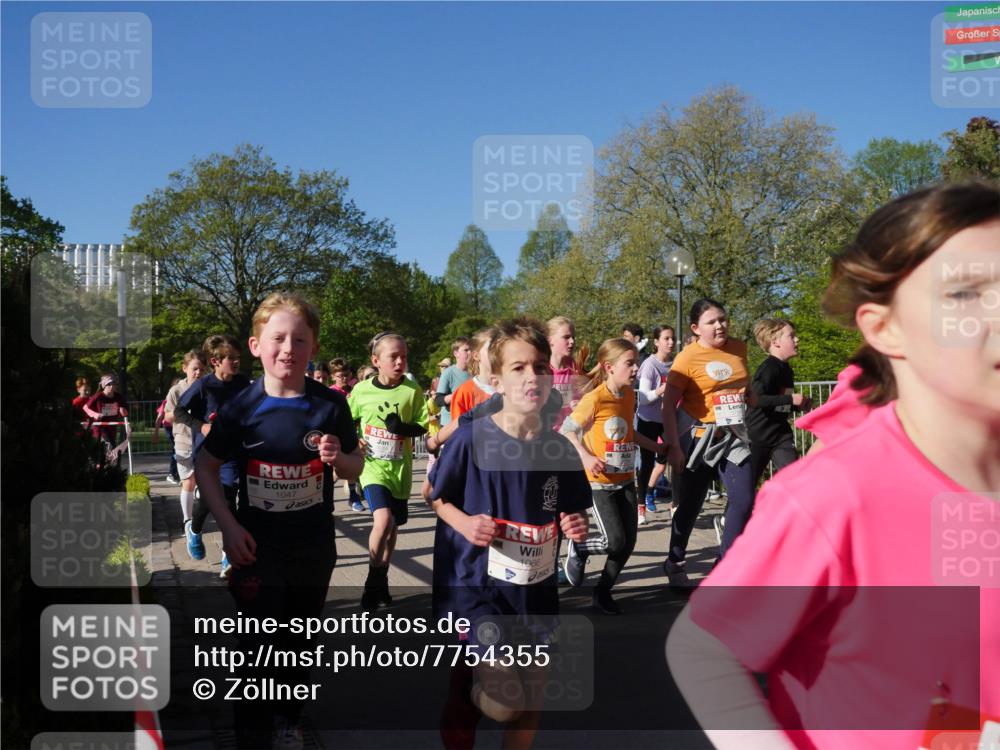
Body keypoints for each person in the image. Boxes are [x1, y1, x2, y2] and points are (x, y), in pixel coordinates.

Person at [666, 181, 1000, 750]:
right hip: (724, 445)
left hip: (753, 440)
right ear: (884, 328)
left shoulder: (743, 357)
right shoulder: (835, 493)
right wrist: (680, 441)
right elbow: (702, 647)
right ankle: (688, 556)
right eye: (964, 295)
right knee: (727, 507)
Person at [195, 292, 364, 750]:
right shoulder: (240, 408)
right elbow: (205, 468)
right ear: (255, 346)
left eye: (300, 339)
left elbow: (356, 466)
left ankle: (289, 718)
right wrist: (228, 528)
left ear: (313, 348)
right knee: (256, 647)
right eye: (278, 338)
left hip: (312, 546)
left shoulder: (330, 405)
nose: (288, 348)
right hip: (256, 548)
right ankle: (251, 734)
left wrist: (338, 458)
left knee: (300, 640)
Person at [428, 317, 591, 750]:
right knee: (506, 703)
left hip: (534, 591)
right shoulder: (471, 438)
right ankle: (470, 693)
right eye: (518, 368)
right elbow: (436, 497)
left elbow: (569, 509)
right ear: (496, 380)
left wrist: (574, 524)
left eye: (539, 366)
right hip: (478, 588)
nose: (531, 376)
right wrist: (464, 522)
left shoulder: (558, 449)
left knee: (532, 706)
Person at [560, 338, 667, 614]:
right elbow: (567, 430)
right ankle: (580, 548)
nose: (635, 370)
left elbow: (628, 434)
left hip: (625, 479)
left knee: (628, 543)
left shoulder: (630, 396)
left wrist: (655, 446)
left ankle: (602, 591)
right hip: (599, 483)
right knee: (613, 541)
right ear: (609, 367)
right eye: (629, 364)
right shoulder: (594, 398)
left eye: (637, 364)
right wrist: (585, 456)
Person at [660, 299, 755, 573]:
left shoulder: (738, 348)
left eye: (723, 319)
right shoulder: (687, 357)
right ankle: (675, 560)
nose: (720, 325)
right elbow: (668, 405)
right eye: (711, 322)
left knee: (745, 498)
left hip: (733, 433)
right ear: (696, 328)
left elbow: (740, 382)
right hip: (699, 435)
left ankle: (724, 566)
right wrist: (675, 447)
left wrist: (750, 395)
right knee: (691, 503)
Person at [348, 332, 428, 610]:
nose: (400, 361)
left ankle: (381, 577)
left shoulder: (411, 390)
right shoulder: (361, 391)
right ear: (376, 360)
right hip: (372, 468)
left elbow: (422, 425)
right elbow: (345, 420)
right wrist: (352, 440)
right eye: (393, 356)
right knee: (382, 521)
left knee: (392, 528)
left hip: (400, 470)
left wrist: (401, 429)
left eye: (403, 356)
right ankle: (372, 580)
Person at [174, 334, 251, 576]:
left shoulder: (243, 383)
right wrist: (202, 426)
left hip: (232, 452)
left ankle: (230, 556)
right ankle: (194, 531)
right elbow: (179, 412)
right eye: (230, 358)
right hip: (207, 453)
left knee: (228, 500)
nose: (236, 362)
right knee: (207, 501)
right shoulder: (204, 385)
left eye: (238, 358)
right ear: (215, 361)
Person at [746, 319, 812, 486]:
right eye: (791, 336)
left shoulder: (786, 368)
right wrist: (790, 399)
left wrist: (797, 406)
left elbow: (778, 401)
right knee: (746, 489)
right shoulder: (768, 368)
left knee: (795, 478)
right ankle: (733, 513)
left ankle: (795, 511)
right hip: (758, 436)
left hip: (780, 434)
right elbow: (756, 400)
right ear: (775, 342)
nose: (797, 340)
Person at [635, 325, 676, 521]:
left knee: (675, 460)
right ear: (656, 342)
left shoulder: (676, 364)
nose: (671, 342)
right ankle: (641, 505)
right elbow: (643, 398)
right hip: (648, 420)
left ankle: (674, 504)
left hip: (668, 420)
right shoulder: (650, 365)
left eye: (672, 338)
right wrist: (662, 390)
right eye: (666, 338)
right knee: (647, 463)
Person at [164, 352, 207, 528]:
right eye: (194, 369)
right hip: (183, 440)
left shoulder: (207, 387)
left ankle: (199, 515)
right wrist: (182, 414)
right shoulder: (176, 390)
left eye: (201, 370)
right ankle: (187, 521)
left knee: (204, 480)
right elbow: (167, 416)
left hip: (204, 441)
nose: (198, 373)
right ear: (185, 368)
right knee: (188, 481)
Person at [330, 360, 366, 512]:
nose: (343, 378)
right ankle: (324, 493)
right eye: (339, 376)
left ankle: (354, 497)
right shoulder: (330, 393)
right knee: (335, 471)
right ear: (333, 377)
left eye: (346, 375)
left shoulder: (355, 391)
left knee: (350, 467)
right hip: (334, 434)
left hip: (351, 433)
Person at [448, 327, 498, 421]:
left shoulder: (510, 388)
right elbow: (459, 431)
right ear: (476, 356)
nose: (497, 353)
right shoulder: (464, 393)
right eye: (491, 349)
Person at [436, 338, 472, 428]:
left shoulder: (475, 373)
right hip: (449, 424)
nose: (470, 352)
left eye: (471, 349)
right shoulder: (448, 373)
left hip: (469, 422)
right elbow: (438, 400)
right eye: (466, 350)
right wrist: (457, 396)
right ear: (456, 354)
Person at [83, 374, 128, 446]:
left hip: (112, 427)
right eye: (109, 384)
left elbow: (125, 411)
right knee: (107, 445)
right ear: (104, 386)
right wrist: (94, 414)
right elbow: (85, 407)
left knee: (112, 446)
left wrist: (123, 410)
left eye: (114, 383)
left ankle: (110, 456)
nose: (112, 386)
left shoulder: (118, 396)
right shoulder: (98, 396)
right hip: (100, 427)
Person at [154, 378, 182, 484]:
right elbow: (160, 416)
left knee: (181, 450)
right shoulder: (167, 400)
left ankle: (178, 473)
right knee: (177, 449)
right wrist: (156, 432)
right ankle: (172, 473)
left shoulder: (185, 399)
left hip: (179, 427)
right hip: (169, 427)